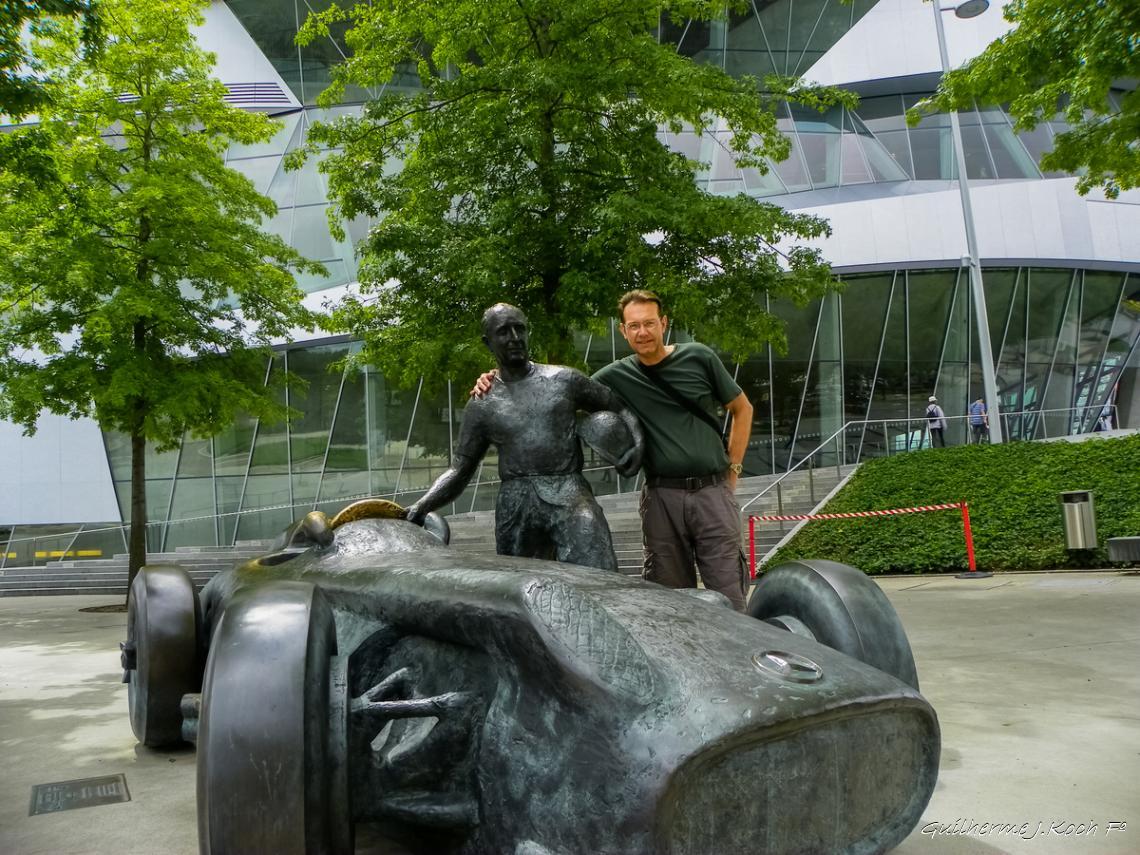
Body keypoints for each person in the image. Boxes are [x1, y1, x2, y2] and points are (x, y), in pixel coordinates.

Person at [405, 303, 642, 572]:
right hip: (515, 503)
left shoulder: (564, 379)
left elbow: (618, 406)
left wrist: (637, 444)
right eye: (504, 332)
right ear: (488, 342)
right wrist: (422, 505)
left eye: (520, 329)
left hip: (568, 491)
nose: (515, 338)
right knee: (519, 589)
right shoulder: (482, 403)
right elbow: (460, 468)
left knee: (600, 572)